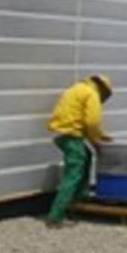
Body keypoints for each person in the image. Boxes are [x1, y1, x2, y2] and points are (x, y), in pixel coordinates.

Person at [45, 74, 114, 227]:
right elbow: (91, 122)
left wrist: (101, 136)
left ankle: (80, 196)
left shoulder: (77, 88)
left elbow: (84, 122)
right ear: (103, 89)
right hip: (72, 136)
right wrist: (96, 141)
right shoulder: (92, 94)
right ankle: (55, 216)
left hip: (65, 134)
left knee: (87, 155)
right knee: (73, 174)